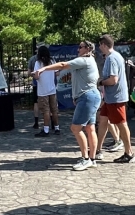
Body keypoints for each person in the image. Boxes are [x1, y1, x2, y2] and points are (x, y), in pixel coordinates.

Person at [35, 40, 100, 170]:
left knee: (75, 128)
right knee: (90, 128)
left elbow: (63, 64)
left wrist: (44, 68)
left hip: (87, 97)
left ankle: (85, 159)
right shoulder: (90, 61)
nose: (78, 50)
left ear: (87, 49)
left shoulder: (84, 60)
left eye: (80, 47)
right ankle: (92, 159)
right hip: (90, 96)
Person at [95, 34, 135, 163]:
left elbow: (113, 80)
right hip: (110, 98)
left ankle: (129, 153)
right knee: (102, 121)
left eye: (100, 45)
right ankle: (97, 150)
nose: (99, 47)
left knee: (122, 124)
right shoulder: (115, 56)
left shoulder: (112, 59)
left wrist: (101, 82)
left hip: (116, 98)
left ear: (104, 45)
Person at [30, 45, 61, 137]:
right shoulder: (52, 61)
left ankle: (46, 130)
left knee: (45, 110)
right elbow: (57, 73)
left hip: (43, 90)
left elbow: (36, 77)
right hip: (52, 89)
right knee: (54, 110)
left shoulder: (38, 63)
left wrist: (33, 74)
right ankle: (57, 128)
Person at [28, 50, 40, 129]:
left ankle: (36, 122)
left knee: (36, 102)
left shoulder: (32, 59)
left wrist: (34, 74)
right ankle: (54, 124)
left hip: (36, 83)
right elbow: (57, 73)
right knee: (49, 103)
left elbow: (29, 72)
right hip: (48, 85)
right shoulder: (50, 59)